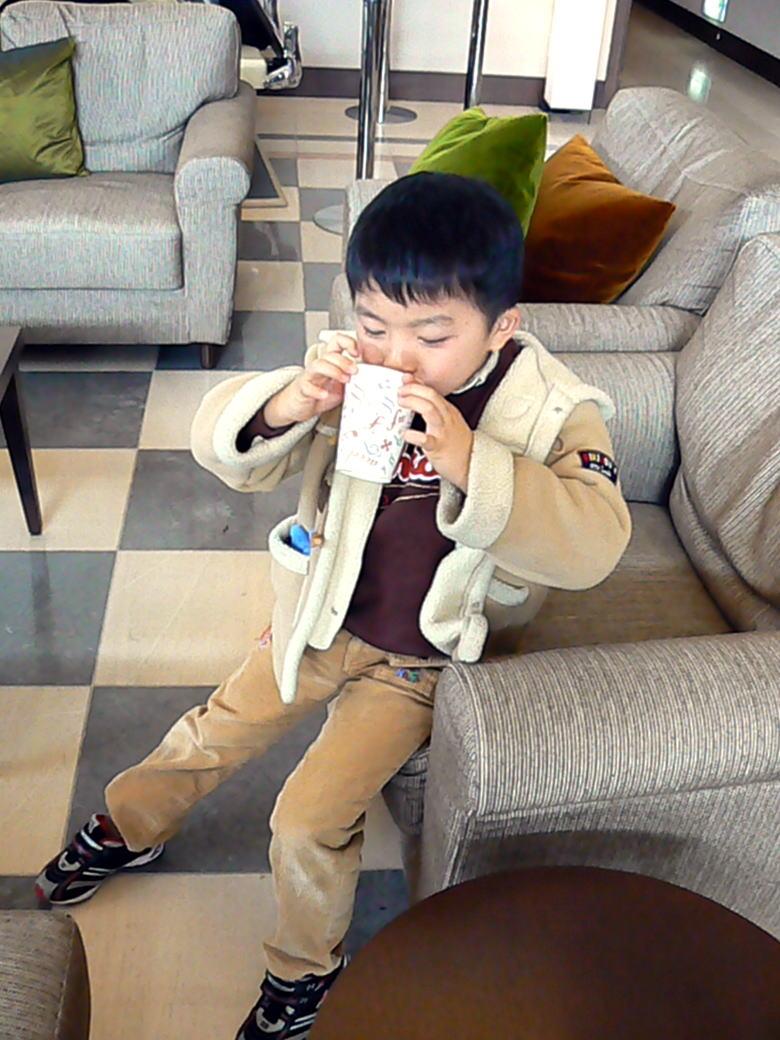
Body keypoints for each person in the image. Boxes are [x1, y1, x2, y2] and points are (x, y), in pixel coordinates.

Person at [36, 172, 632, 1039]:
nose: (397, 357)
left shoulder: (551, 408)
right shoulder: (357, 368)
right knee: (213, 729)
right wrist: (293, 401)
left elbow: (595, 543)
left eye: (433, 335)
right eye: (374, 324)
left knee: (308, 820)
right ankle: (129, 823)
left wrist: (473, 461)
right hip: (322, 614)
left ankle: (304, 973)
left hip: (417, 662)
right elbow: (227, 449)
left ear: (502, 326)